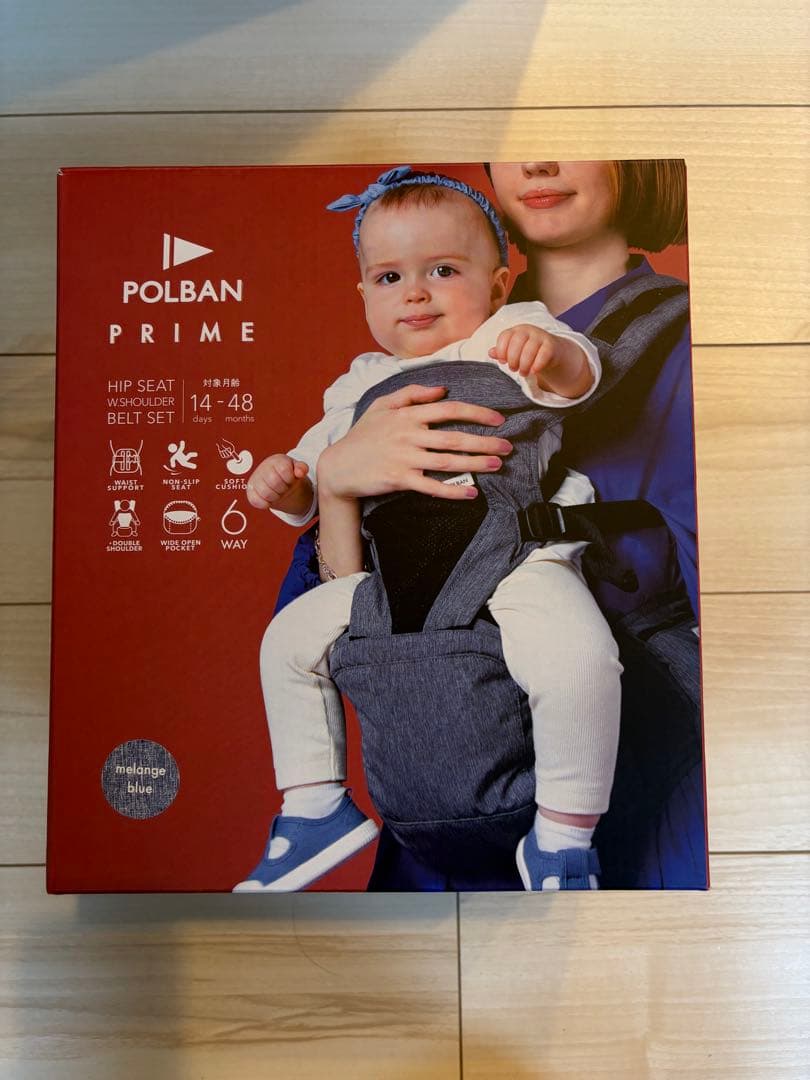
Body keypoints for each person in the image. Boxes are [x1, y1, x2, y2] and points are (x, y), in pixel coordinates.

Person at [268, 160, 705, 892]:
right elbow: (348, 617)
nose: (537, 160)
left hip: (631, 769)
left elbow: (733, 593)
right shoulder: (412, 352)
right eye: (513, 140)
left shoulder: (696, 339)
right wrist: (338, 481)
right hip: (444, 754)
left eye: (577, 131)